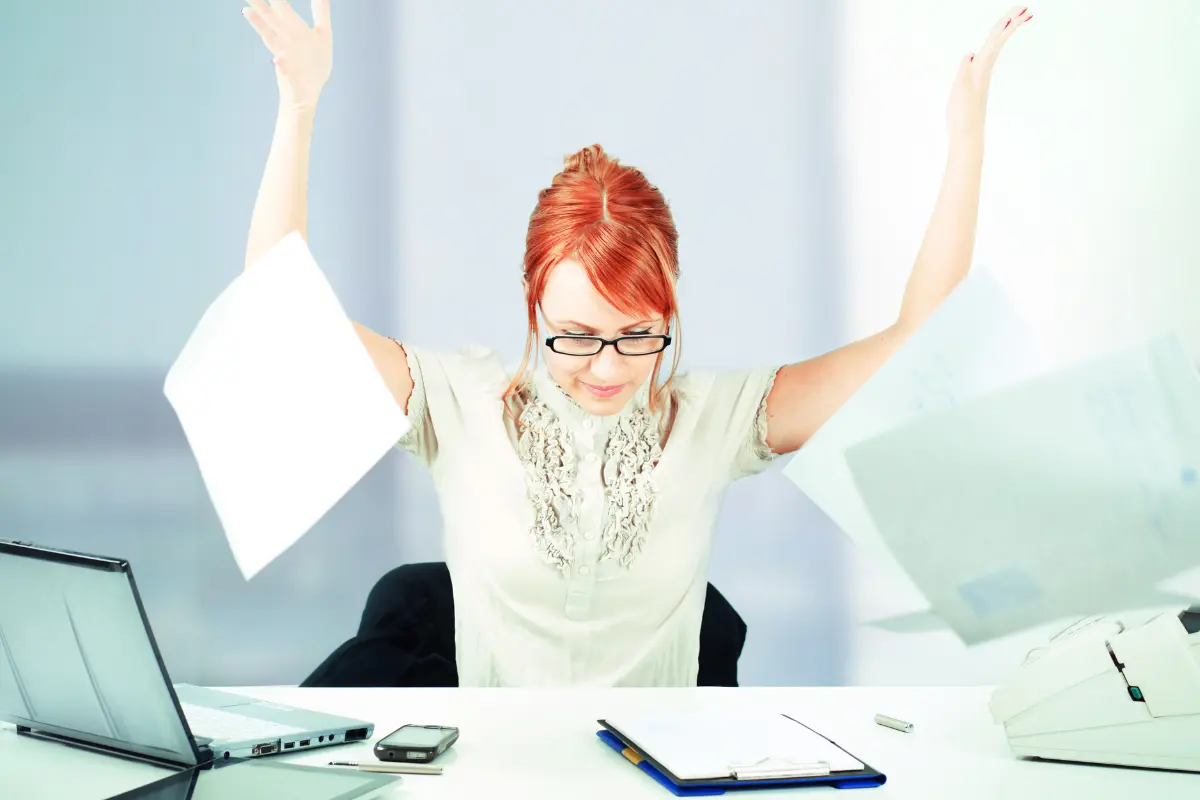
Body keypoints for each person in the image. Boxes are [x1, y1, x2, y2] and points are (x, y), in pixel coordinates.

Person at [239, 0, 1034, 687]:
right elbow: (284, 322)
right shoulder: (457, 403)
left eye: (637, 335)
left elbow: (921, 349)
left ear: (670, 313)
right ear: (533, 307)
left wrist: (966, 138)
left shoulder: (717, 418)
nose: (609, 368)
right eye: (576, 338)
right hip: (495, 779)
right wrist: (298, 105)